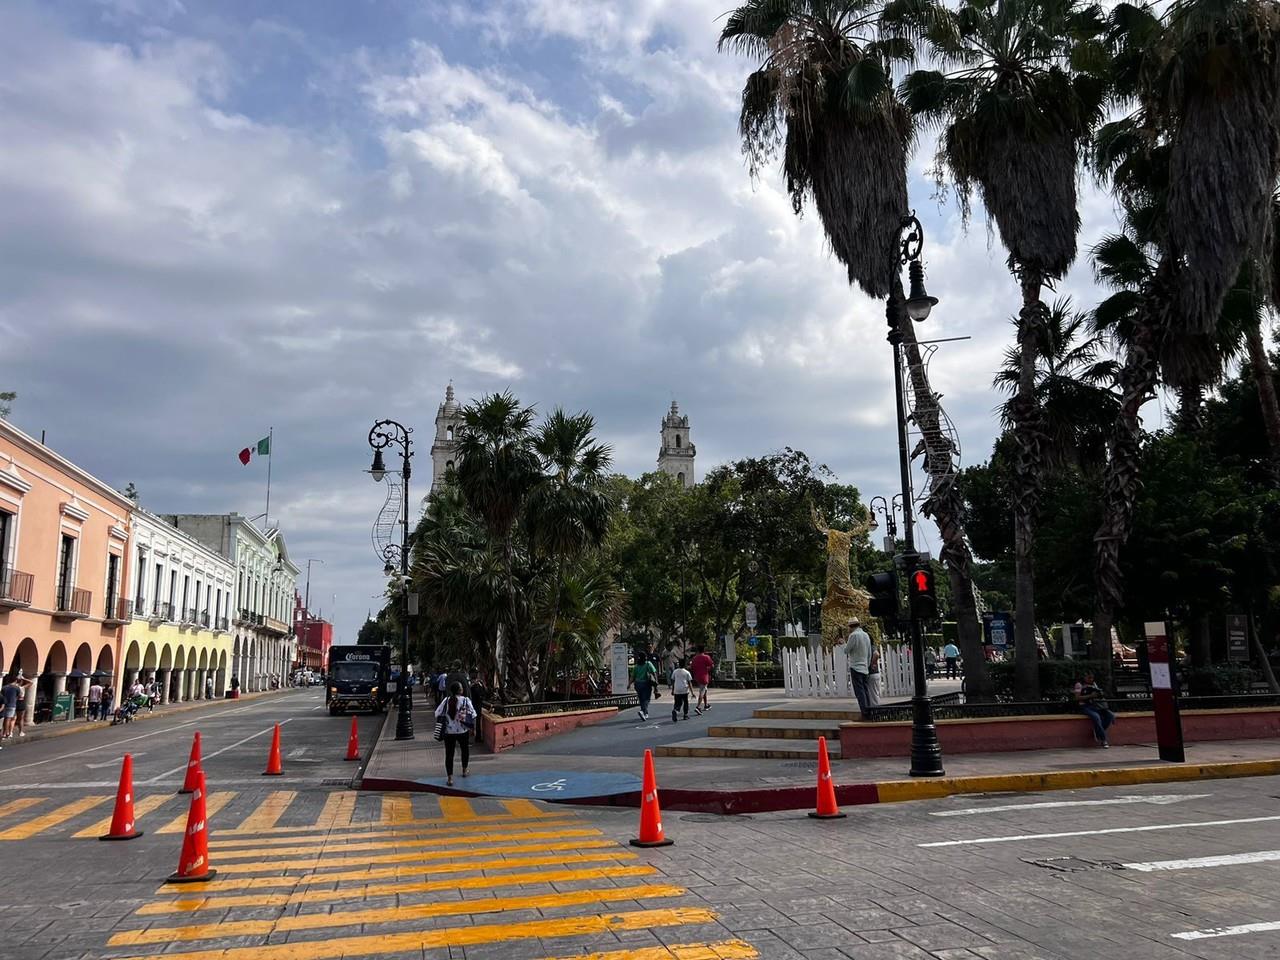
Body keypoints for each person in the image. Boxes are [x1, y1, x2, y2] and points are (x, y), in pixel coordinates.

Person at [434, 681, 475, 787]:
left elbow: (437, 713)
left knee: (449, 754)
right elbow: (473, 714)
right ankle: (464, 770)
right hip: (462, 730)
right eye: (461, 688)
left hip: (448, 732)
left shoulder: (446, 700)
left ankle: (450, 778)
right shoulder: (466, 700)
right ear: (460, 690)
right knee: (464, 750)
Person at [1074, 672, 1114, 748]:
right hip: (1085, 706)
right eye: (1089, 678)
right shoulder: (1079, 685)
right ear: (1085, 677)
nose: (1091, 679)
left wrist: (1099, 694)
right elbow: (1077, 698)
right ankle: (1103, 740)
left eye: (1092, 678)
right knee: (1096, 717)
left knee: (1110, 715)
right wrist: (1090, 696)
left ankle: (1098, 731)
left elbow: (1098, 694)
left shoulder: (1094, 684)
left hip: (1096, 705)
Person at [844, 618, 872, 720]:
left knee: (859, 692)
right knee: (865, 691)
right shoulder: (866, 635)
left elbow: (846, 650)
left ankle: (864, 713)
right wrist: (867, 665)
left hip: (855, 666)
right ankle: (869, 711)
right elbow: (869, 653)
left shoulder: (853, 635)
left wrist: (843, 643)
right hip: (864, 667)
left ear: (850, 626)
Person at [629, 653, 657, 722]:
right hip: (646, 683)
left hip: (637, 684)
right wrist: (656, 681)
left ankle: (645, 713)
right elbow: (654, 672)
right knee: (646, 699)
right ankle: (643, 712)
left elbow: (632, 677)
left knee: (641, 699)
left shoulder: (636, 666)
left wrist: (629, 684)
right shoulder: (648, 664)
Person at [690, 646, 714, 715]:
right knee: (702, 691)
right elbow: (712, 665)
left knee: (704, 690)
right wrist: (707, 669)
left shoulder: (694, 658)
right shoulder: (706, 657)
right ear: (704, 650)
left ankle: (706, 705)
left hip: (697, 676)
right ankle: (698, 707)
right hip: (704, 676)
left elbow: (692, 667)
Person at [669, 658, 693, 723]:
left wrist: (672, 690)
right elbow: (689, 683)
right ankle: (685, 715)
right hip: (684, 689)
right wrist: (692, 692)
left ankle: (676, 710)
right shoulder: (687, 672)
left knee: (677, 702)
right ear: (685, 664)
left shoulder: (675, 671)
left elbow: (673, 681)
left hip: (677, 689)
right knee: (685, 702)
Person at [467, 670, 487, 745]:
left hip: (474, 704)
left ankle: (476, 736)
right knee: (475, 721)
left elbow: (484, 691)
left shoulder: (477, 683)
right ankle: (475, 737)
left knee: (474, 721)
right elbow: (481, 694)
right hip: (475, 704)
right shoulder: (472, 684)